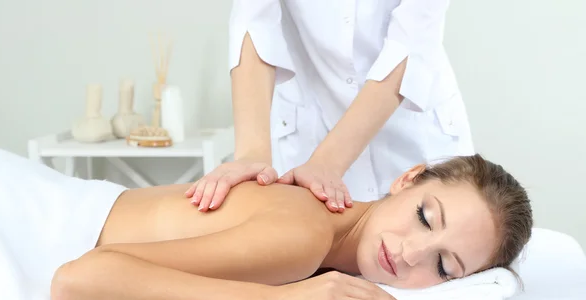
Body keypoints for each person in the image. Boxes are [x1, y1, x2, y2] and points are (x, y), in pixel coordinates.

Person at [44, 150, 533, 300]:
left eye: (444, 268)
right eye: (425, 218)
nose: (409, 254)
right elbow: (77, 279)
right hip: (33, 219)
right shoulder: (303, 238)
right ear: (408, 178)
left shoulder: (322, 231)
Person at [185, 0, 474, 214]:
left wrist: (325, 164)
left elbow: (410, 43)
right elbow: (253, 21)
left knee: (420, 265)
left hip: (407, 126)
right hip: (308, 127)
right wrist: (251, 154)